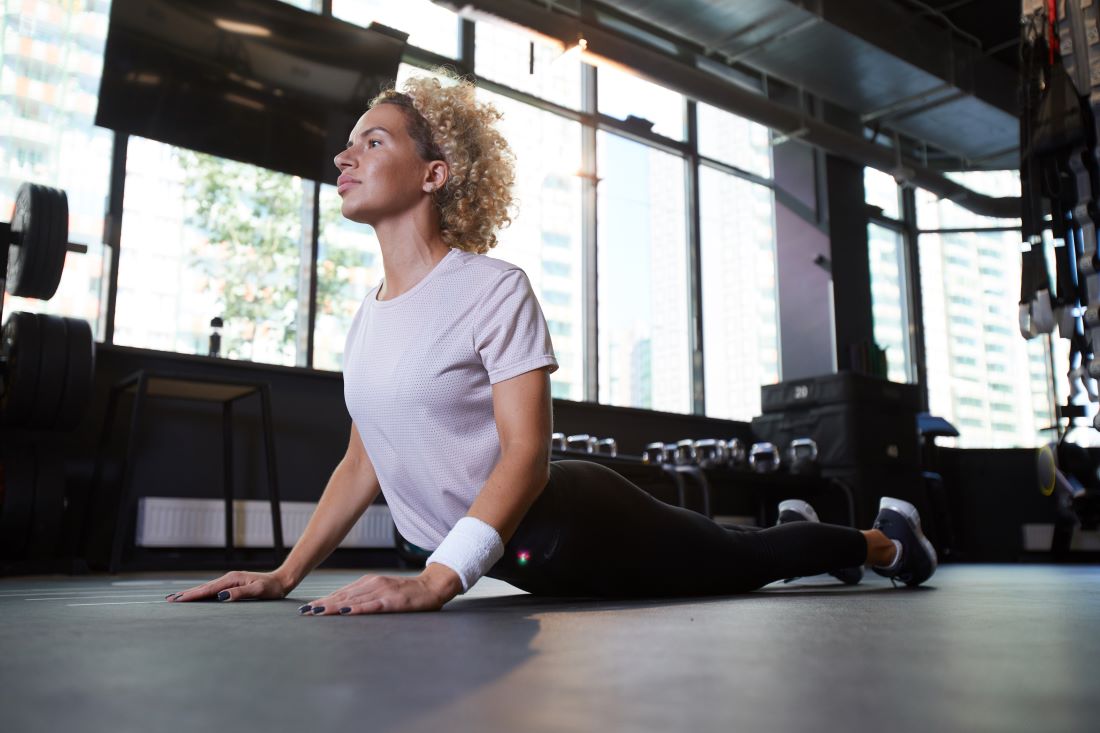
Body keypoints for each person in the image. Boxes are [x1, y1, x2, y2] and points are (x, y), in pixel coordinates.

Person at [166, 66, 937, 615]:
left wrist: (439, 580)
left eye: (371, 141)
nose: (345, 155)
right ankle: (807, 538)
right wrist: (286, 570)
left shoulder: (492, 288)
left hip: (569, 524)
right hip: (517, 562)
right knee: (739, 554)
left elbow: (525, 454)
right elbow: (364, 456)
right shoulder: (369, 317)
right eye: (348, 145)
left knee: (734, 564)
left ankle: (885, 540)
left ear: (435, 174)